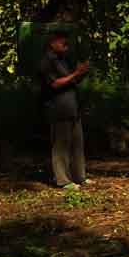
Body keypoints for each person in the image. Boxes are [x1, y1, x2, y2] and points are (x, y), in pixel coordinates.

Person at [39, 32, 90, 189]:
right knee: (61, 145)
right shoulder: (45, 62)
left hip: (72, 106)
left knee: (77, 143)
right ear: (52, 43)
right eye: (63, 43)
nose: (66, 46)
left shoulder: (63, 60)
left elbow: (70, 80)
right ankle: (63, 180)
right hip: (58, 108)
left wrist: (81, 73)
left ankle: (79, 176)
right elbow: (54, 84)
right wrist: (75, 73)